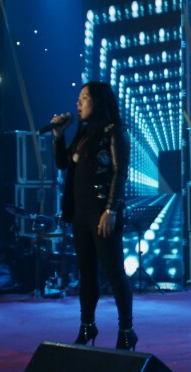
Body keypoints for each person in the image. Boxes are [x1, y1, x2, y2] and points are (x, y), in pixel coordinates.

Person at [52, 81, 135, 350]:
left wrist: (111, 209)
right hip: (80, 212)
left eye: (84, 98)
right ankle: (87, 325)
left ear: (98, 101)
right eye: (78, 98)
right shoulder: (84, 132)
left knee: (114, 272)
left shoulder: (115, 131)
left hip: (101, 211)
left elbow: (120, 172)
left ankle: (126, 330)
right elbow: (63, 163)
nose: (78, 103)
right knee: (86, 273)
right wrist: (58, 136)